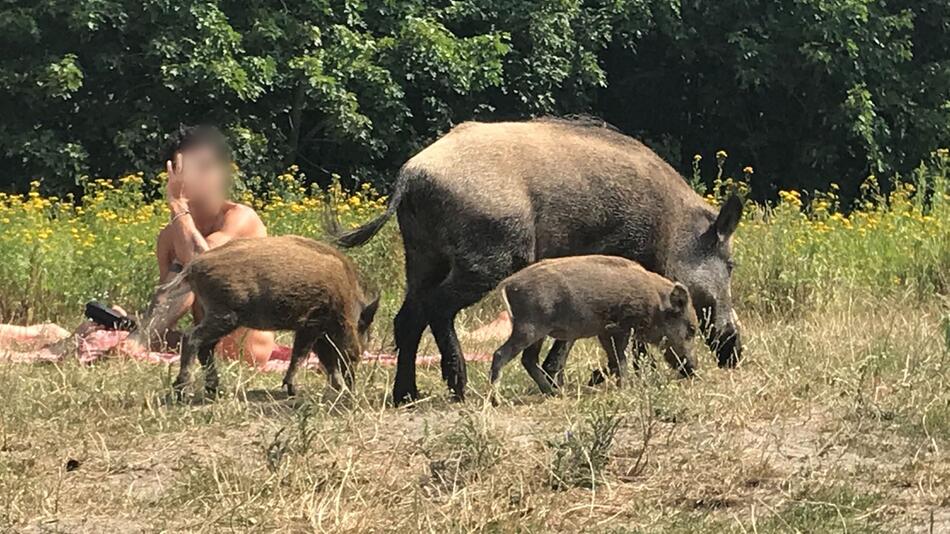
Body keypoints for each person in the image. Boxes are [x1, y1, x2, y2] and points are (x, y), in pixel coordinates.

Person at [123, 125, 276, 366]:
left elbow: (201, 261)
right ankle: (134, 337)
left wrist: (177, 203)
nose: (200, 178)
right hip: (205, 344)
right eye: (189, 169)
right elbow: (169, 303)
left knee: (187, 271)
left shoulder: (240, 218)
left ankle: (137, 341)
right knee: (106, 327)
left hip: (244, 351)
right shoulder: (169, 236)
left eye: (207, 168)